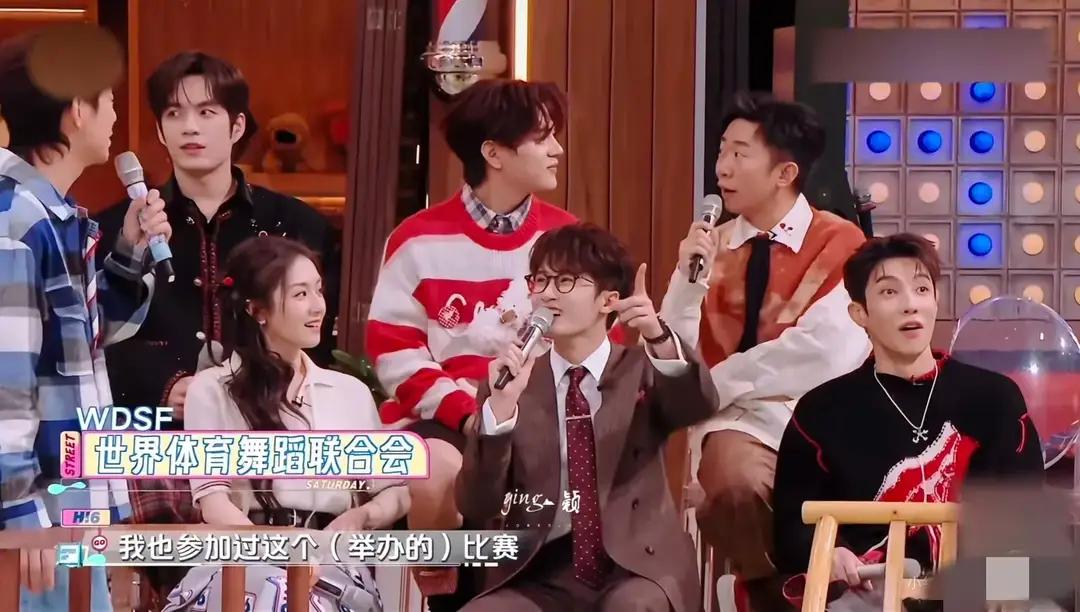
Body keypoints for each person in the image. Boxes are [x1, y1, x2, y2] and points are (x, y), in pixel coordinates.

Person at [94, 50, 339, 600]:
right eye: (174, 114)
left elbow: (321, 335)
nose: (190, 127)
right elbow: (97, 340)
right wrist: (168, 386)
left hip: (269, 423)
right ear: (160, 130)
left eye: (206, 113)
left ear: (237, 126)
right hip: (158, 429)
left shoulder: (296, 225)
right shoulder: (116, 229)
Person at [364, 78, 577, 605]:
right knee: (436, 469)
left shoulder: (568, 241)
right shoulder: (417, 239)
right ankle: (445, 596)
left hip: (541, 415)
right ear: (494, 153)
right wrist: (469, 414)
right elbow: (395, 353)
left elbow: (595, 343)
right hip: (446, 417)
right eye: (542, 138)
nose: (557, 149)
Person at [658, 91, 871, 608]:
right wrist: (686, 283)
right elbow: (672, 355)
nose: (722, 168)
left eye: (740, 153)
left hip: (816, 413)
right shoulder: (712, 246)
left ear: (785, 173)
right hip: (739, 422)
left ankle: (771, 593)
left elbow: (826, 352)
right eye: (721, 151)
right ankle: (775, 591)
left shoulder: (841, 243)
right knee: (733, 485)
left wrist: (714, 385)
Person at [772, 233, 1045, 610]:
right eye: (889, 292)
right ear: (859, 314)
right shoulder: (820, 412)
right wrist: (831, 554)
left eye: (921, 289)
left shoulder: (995, 398)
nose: (910, 305)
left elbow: (1027, 516)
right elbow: (791, 528)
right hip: (868, 593)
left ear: (935, 300)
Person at [456, 223, 718, 611]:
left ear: (608, 300)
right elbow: (477, 503)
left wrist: (658, 335)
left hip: (635, 568)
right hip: (538, 572)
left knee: (632, 607)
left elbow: (697, 405)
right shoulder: (514, 382)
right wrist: (500, 413)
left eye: (565, 281)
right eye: (540, 280)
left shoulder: (642, 368)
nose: (547, 293)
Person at [0, 30, 170, 610]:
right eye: (109, 99)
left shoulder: (52, 215)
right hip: (34, 519)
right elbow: (5, 387)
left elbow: (80, 344)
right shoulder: (16, 221)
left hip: (64, 505)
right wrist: (19, 510)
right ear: (77, 108)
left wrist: (129, 251)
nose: (116, 115)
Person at [171, 235, 406, 611]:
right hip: (244, 558)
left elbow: (395, 492)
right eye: (300, 294)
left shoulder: (350, 392)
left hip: (331, 562)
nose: (318, 306)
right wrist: (281, 555)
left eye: (318, 290)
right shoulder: (211, 389)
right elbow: (213, 503)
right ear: (258, 310)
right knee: (268, 591)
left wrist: (363, 515)